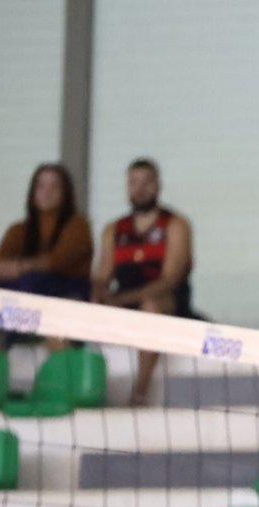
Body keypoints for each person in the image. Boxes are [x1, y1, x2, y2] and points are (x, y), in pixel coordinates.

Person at [89, 158, 195, 404]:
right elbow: (102, 276)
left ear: (158, 186)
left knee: (151, 305)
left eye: (147, 182)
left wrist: (121, 299)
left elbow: (170, 279)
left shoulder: (176, 225)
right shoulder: (114, 229)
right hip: (123, 302)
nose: (140, 189)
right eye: (133, 182)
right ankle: (87, 388)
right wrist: (100, 294)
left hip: (167, 303)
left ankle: (140, 391)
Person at [0, 163, 93, 301]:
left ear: (65, 192)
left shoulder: (78, 225)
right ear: (33, 192)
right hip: (29, 283)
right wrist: (15, 268)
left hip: (68, 287)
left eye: (55, 186)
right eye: (41, 186)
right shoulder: (19, 229)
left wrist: (22, 267)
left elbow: (58, 261)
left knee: (31, 281)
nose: (47, 192)